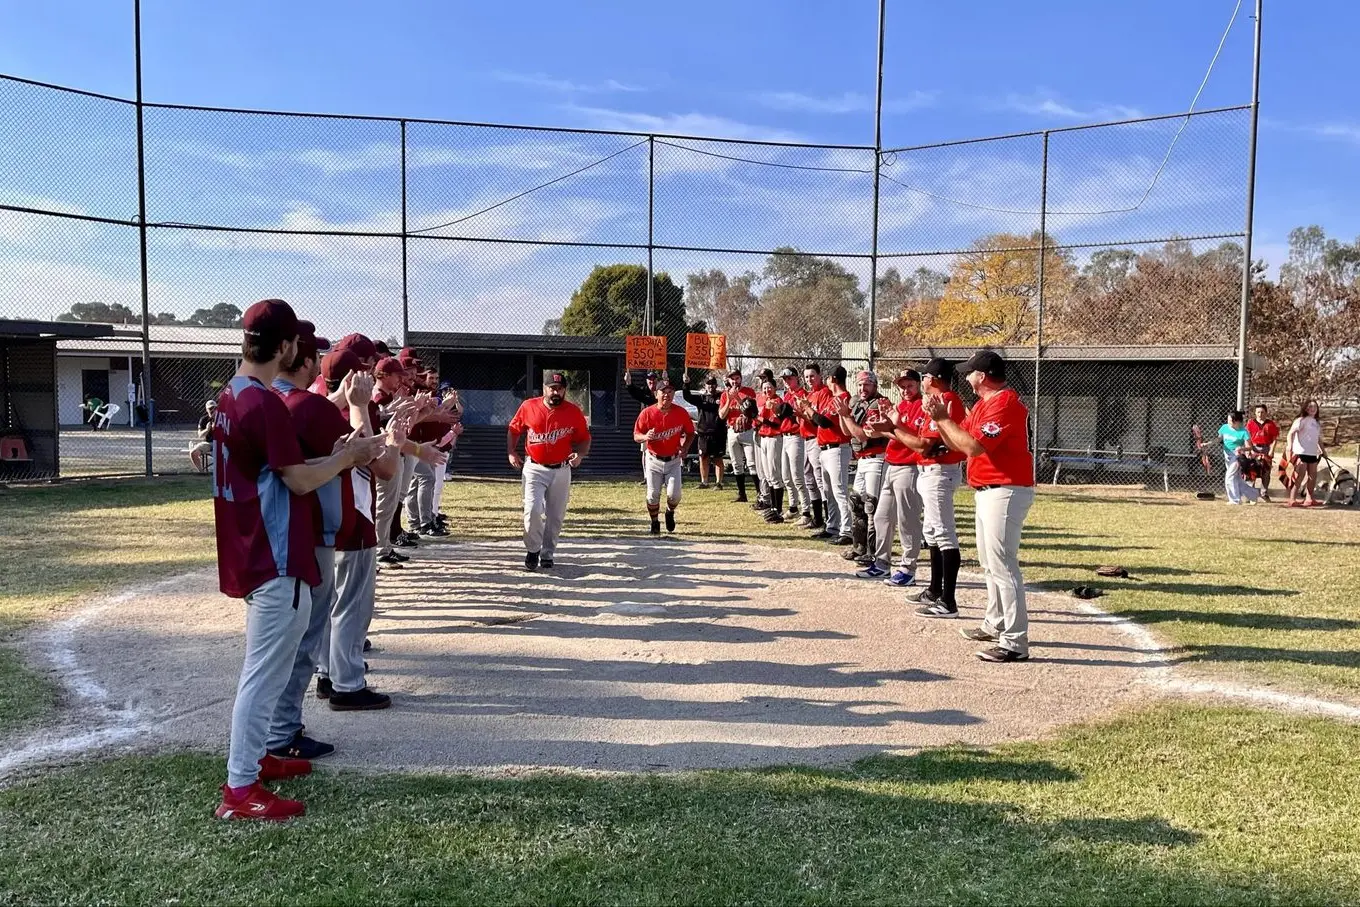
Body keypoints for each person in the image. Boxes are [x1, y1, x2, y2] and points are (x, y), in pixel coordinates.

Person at [211, 299, 387, 821]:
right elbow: (299, 478)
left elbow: (279, 468)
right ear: (287, 347)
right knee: (264, 672)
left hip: (252, 545)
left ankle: (257, 758)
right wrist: (348, 457)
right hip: (275, 552)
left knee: (269, 666)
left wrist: (334, 455)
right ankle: (240, 789)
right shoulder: (261, 402)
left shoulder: (232, 395)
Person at [904, 349, 1036, 663]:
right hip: (988, 489)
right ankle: (994, 623)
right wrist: (941, 421)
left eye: (971, 372)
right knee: (991, 564)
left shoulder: (1004, 403)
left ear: (984, 376)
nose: (966, 376)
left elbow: (974, 446)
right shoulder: (983, 404)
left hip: (1006, 489)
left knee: (1003, 565)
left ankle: (1015, 642)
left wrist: (943, 419)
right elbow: (958, 442)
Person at [507, 372, 592, 570]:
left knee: (555, 515)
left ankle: (547, 553)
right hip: (535, 466)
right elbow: (514, 429)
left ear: (564, 390)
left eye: (560, 388)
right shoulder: (529, 406)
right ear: (544, 389)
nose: (556, 392)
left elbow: (584, 438)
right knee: (533, 510)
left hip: (561, 469)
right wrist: (511, 451)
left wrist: (580, 455)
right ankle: (533, 549)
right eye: (552, 388)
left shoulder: (573, 411)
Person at [908, 358, 965, 616]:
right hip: (929, 471)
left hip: (940, 471)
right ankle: (934, 590)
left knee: (943, 533)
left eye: (926, 376)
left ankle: (948, 601)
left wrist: (891, 430)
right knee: (931, 532)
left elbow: (927, 444)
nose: (923, 380)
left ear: (936, 378)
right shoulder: (935, 402)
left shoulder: (947, 400)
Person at [861, 369, 925, 586]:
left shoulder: (921, 406)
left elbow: (914, 438)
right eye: (902, 386)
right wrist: (876, 430)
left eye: (910, 386)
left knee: (908, 521)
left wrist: (890, 427)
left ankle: (908, 569)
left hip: (910, 466)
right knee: (881, 517)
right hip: (892, 464)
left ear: (919, 385)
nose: (906, 390)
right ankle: (881, 564)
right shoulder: (899, 406)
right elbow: (890, 432)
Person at [834, 370, 891, 565]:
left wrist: (846, 416)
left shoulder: (879, 404)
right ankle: (860, 546)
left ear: (875, 386)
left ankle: (874, 551)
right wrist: (843, 415)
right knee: (856, 502)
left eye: (867, 385)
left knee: (872, 506)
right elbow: (845, 431)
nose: (862, 389)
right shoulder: (857, 402)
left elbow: (863, 435)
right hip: (862, 459)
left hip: (877, 458)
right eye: (859, 385)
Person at [798, 365, 853, 545]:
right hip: (826, 448)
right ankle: (833, 526)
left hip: (837, 448)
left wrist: (808, 408)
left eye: (829, 378)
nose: (827, 381)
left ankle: (847, 530)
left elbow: (824, 422)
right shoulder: (833, 398)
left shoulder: (843, 397)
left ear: (834, 379)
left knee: (839, 491)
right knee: (829, 491)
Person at [633, 376, 695, 534]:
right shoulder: (647, 413)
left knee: (675, 495)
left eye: (670, 391)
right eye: (663, 391)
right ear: (656, 394)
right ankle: (654, 521)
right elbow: (636, 435)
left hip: (673, 459)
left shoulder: (681, 412)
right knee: (653, 495)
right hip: (653, 458)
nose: (666, 394)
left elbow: (690, 432)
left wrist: (685, 447)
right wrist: (646, 437)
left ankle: (669, 512)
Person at [753, 377, 791, 523]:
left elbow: (776, 424)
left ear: (775, 388)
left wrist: (760, 418)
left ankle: (777, 509)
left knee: (775, 474)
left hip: (775, 438)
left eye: (769, 387)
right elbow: (758, 421)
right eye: (764, 388)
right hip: (763, 438)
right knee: (767, 474)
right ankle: (772, 507)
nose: (767, 390)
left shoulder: (777, 402)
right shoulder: (762, 401)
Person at [794, 364, 826, 530]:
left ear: (820, 375)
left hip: (816, 439)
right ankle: (818, 518)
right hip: (806, 439)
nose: (809, 379)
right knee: (809, 479)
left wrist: (802, 413)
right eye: (806, 377)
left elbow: (817, 421)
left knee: (820, 480)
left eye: (812, 376)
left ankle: (828, 519)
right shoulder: (810, 394)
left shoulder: (822, 393)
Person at [776, 367, 810, 523]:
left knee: (797, 477)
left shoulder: (803, 395)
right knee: (786, 476)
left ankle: (806, 512)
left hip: (797, 436)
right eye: (784, 379)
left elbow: (804, 418)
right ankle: (793, 507)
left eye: (789, 378)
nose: (786, 381)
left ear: (797, 379)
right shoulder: (787, 395)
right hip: (785, 436)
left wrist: (794, 412)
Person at [1203, 410, 1259, 505]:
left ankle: (1235, 500)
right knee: (1237, 479)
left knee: (1229, 477)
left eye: (1231, 420)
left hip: (1237, 456)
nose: (1228, 422)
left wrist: (1242, 448)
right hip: (1227, 455)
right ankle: (1255, 494)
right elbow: (1219, 439)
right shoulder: (1225, 428)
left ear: (1237, 421)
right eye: (1228, 420)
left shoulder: (1244, 432)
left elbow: (1250, 447)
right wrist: (1208, 444)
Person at [718, 370, 758, 503]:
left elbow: (751, 412)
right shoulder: (725, 395)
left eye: (737, 378)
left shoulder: (749, 392)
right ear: (728, 380)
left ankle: (760, 494)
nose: (735, 381)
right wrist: (729, 399)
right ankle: (742, 494)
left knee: (752, 463)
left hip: (747, 431)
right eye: (732, 379)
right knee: (737, 464)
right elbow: (722, 415)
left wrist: (738, 398)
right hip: (732, 431)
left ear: (741, 379)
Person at [682, 373, 726, 488]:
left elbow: (730, 395)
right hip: (703, 433)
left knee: (718, 459)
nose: (710, 386)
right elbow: (687, 396)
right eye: (708, 384)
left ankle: (719, 482)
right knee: (703, 457)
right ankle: (704, 482)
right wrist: (686, 384)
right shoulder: (701, 399)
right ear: (705, 386)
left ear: (716, 385)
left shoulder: (722, 397)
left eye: (712, 384)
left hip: (718, 433)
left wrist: (726, 384)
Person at [1287, 400, 1328, 508]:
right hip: (1301, 452)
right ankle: (1292, 499)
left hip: (1312, 452)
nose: (1313, 409)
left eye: (1315, 406)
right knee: (1300, 475)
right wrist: (1290, 446)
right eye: (1310, 406)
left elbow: (1318, 439)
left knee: (1312, 476)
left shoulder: (1316, 422)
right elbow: (1291, 433)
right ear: (1306, 408)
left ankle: (1309, 498)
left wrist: (1323, 451)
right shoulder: (1300, 420)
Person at [624, 370, 660, 482]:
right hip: (646, 427)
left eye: (654, 379)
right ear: (646, 381)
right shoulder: (643, 392)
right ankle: (646, 476)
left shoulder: (661, 392)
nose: (652, 382)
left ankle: (659, 475)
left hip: (660, 425)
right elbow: (634, 392)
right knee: (645, 451)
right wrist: (629, 383)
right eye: (650, 379)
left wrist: (665, 382)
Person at [1246, 404, 1280, 502]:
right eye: (1258, 412)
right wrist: (1250, 449)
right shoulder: (1251, 423)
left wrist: (1271, 450)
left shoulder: (1270, 424)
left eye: (1262, 412)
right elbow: (1246, 437)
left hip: (1265, 448)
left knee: (1265, 471)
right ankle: (1250, 494)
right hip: (1254, 447)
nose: (1260, 414)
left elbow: (1274, 439)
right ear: (1255, 413)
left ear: (1266, 413)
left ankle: (1264, 493)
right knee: (1252, 470)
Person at [190, 400, 217, 473]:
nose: (212, 410)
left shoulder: (222, 418)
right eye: (210, 409)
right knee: (193, 452)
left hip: (221, 442)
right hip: (208, 443)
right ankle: (201, 473)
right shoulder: (203, 419)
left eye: (214, 408)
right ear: (206, 409)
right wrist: (207, 429)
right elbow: (200, 435)